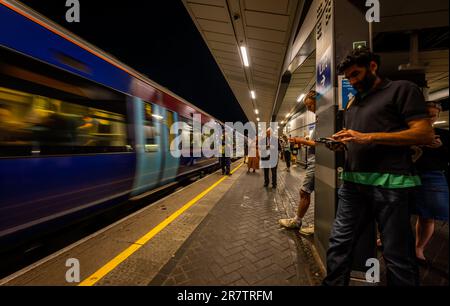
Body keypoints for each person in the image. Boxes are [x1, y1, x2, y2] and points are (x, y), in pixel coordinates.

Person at [322, 47, 434, 286]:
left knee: (396, 254)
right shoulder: (353, 103)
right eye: (349, 77)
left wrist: (368, 137)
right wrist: (342, 145)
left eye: (356, 74)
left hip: (391, 184)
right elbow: (357, 140)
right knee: (339, 244)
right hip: (353, 185)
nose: (352, 81)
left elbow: (424, 133)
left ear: (373, 66)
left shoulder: (401, 90)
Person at [411, 102, 449, 265]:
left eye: (433, 115)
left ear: (438, 116)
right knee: (396, 212)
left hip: (432, 175)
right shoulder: (408, 132)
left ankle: (419, 248)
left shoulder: (444, 135)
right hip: (407, 174)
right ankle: (386, 239)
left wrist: (441, 147)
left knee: (428, 216)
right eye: (426, 114)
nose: (430, 118)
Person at [278, 91, 317, 235]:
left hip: (317, 163)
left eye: (310, 105)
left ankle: (297, 221)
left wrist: (302, 141)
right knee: (311, 193)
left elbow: (321, 143)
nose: (308, 109)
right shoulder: (322, 118)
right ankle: (315, 223)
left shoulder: (325, 118)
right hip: (316, 163)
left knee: (304, 191)